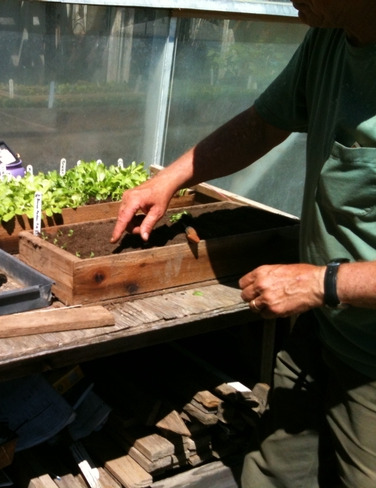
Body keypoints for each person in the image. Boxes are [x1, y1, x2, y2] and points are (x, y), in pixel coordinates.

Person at [111, 0, 376, 486]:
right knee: (273, 472)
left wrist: (324, 281)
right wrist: (168, 181)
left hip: (367, 355)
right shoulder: (332, 35)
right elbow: (263, 124)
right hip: (323, 329)